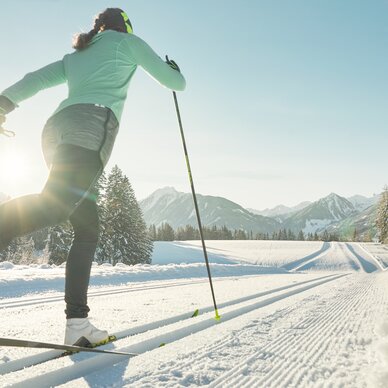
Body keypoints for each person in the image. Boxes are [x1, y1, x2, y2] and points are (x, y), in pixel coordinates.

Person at [0, 8, 185, 346]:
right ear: (124, 27)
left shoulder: (78, 55)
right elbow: (176, 84)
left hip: (56, 130)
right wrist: (174, 69)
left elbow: (35, 79)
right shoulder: (127, 43)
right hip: (90, 129)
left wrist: (4, 103)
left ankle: (78, 325)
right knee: (53, 206)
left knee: (86, 228)